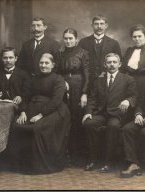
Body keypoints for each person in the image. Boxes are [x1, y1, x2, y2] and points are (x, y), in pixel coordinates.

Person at [7, 53, 71, 174]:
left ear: (53, 65)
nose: (43, 65)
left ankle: (38, 166)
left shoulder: (58, 79)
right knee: (16, 126)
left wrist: (41, 115)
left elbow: (56, 101)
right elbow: (25, 97)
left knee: (36, 128)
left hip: (54, 111)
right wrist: (23, 112)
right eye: (41, 63)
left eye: (46, 63)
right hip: (32, 108)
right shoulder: (34, 78)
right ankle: (21, 165)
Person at [82, 53, 137, 173]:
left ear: (119, 64)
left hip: (117, 114)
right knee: (88, 124)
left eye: (114, 62)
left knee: (113, 126)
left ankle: (108, 162)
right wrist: (88, 112)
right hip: (101, 114)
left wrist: (128, 100)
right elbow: (92, 99)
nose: (112, 65)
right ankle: (93, 160)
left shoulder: (127, 79)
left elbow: (134, 96)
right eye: (109, 62)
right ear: (105, 64)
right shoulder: (98, 80)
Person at [55, 28, 90, 165]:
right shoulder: (59, 53)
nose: (68, 41)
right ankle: (65, 154)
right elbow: (56, 72)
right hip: (62, 87)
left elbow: (87, 75)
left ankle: (78, 155)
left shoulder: (83, 53)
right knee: (63, 118)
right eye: (66, 38)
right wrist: (62, 82)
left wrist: (84, 93)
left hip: (78, 87)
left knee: (77, 120)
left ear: (76, 39)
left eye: (71, 38)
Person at [78, 15, 122, 81]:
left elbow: (119, 63)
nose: (99, 26)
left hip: (107, 79)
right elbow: (78, 61)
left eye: (101, 24)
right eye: (96, 24)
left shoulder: (114, 43)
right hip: (88, 80)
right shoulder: (83, 42)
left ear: (106, 26)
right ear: (92, 25)